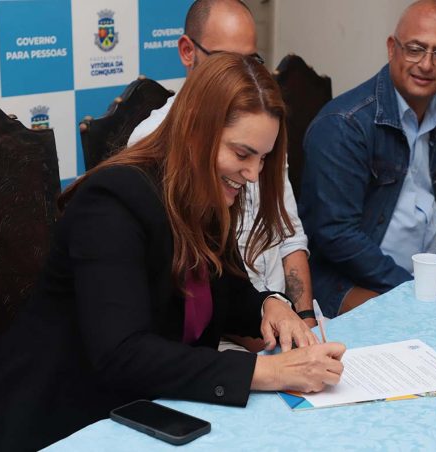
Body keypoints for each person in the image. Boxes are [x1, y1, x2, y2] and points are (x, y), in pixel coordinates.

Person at [0, 53, 345, 452]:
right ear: (195, 131)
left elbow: (224, 292)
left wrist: (271, 305)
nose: (253, 174)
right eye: (241, 154)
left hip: (145, 405)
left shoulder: (204, 193)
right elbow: (123, 353)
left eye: (263, 158)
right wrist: (268, 371)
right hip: (56, 416)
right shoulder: (111, 203)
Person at [130, 0, 316, 332]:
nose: (253, 173)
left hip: (271, 315)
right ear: (188, 51)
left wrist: (304, 321)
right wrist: (264, 339)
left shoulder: (261, 127)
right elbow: (191, 289)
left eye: (251, 61)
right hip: (225, 331)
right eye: (225, 60)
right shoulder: (155, 144)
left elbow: (289, 234)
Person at [299, 0, 436, 318]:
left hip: (427, 276)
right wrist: (411, 289)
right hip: (350, 279)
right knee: (420, 324)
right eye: (415, 49)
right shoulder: (344, 124)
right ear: (391, 48)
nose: (426, 64)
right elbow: (337, 234)